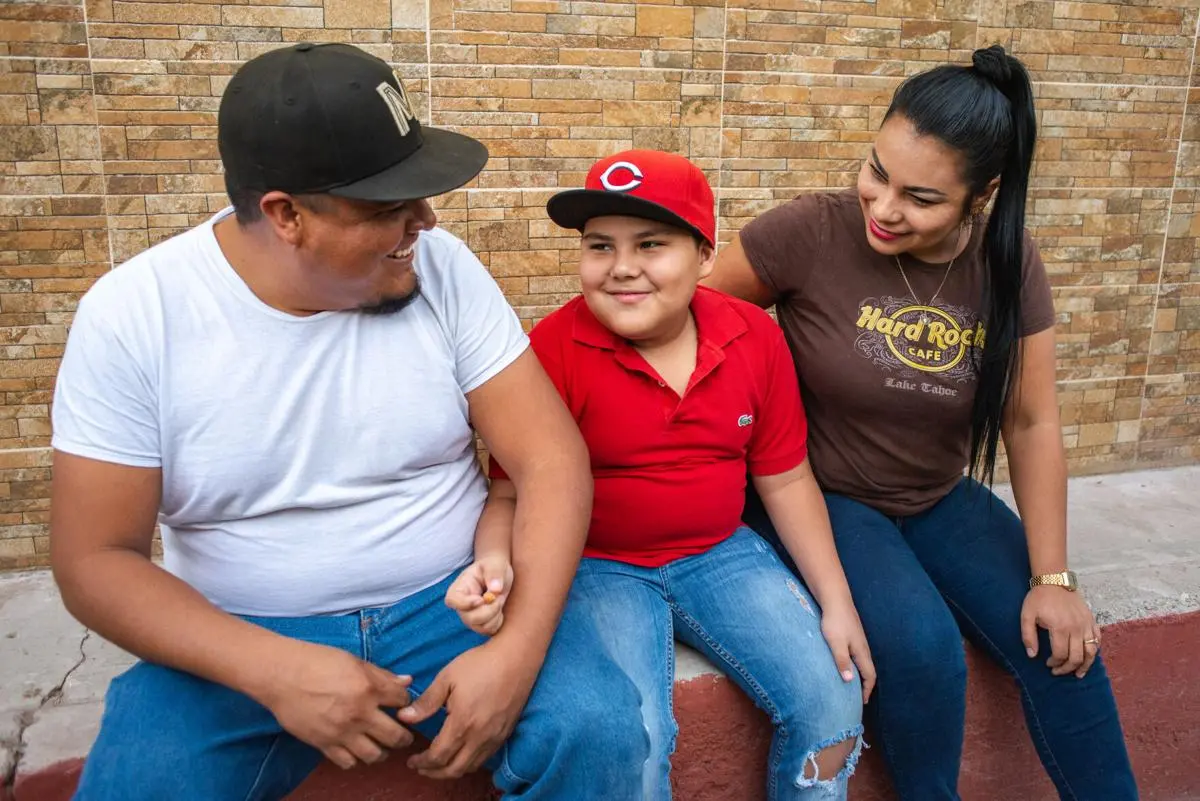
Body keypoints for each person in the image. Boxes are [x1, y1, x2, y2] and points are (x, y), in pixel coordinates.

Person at [49, 42, 648, 801]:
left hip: (454, 604)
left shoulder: (442, 266)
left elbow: (551, 459)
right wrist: (272, 668)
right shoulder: (136, 316)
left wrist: (519, 652)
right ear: (286, 214)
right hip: (243, 630)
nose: (424, 222)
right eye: (388, 208)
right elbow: (95, 559)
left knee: (599, 730)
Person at [702, 44, 1138, 800]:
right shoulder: (808, 231)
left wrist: (1054, 575)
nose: (884, 207)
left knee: (1066, 646)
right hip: (828, 493)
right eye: (877, 171)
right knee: (923, 647)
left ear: (982, 194)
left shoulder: (1009, 263)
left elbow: (1030, 421)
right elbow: (698, 318)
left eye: (921, 197)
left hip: (938, 494)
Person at [479, 149, 876, 801]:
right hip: (595, 565)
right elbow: (506, 490)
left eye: (652, 244)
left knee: (832, 698)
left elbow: (785, 478)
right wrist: (495, 565)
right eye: (600, 245)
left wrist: (836, 600)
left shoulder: (753, 336)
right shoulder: (550, 349)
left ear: (704, 254)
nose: (623, 266)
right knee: (631, 743)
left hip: (721, 552)